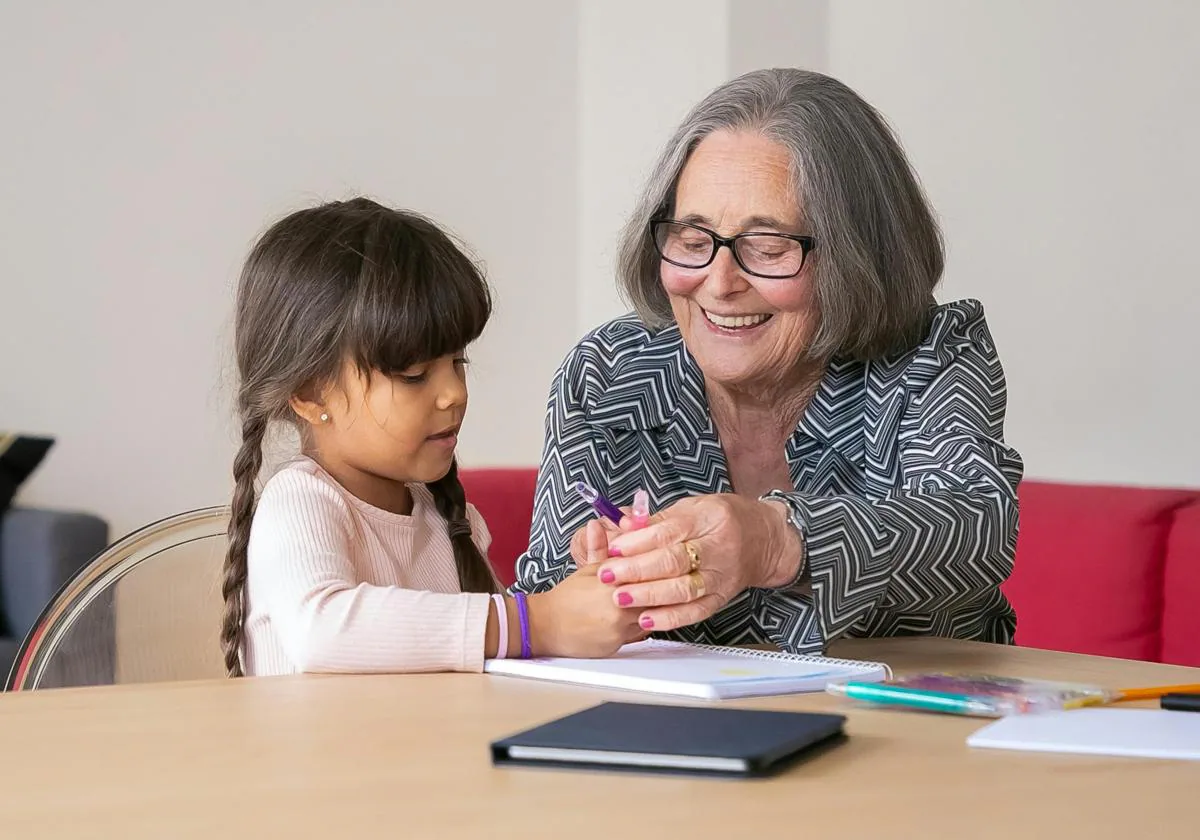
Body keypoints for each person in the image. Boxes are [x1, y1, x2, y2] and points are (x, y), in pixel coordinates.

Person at [513, 68, 1024, 655]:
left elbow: (973, 533)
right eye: (692, 237)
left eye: (769, 247)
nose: (719, 282)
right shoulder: (612, 371)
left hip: (910, 728)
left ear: (856, 256)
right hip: (672, 731)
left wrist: (776, 541)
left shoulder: (931, 353)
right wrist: (599, 586)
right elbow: (552, 605)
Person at [221, 197, 642, 677]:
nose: (454, 394)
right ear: (311, 394)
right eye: (415, 374)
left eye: (458, 363)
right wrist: (535, 622)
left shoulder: (447, 518)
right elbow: (324, 631)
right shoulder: (302, 500)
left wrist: (596, 589)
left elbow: (495, 655)